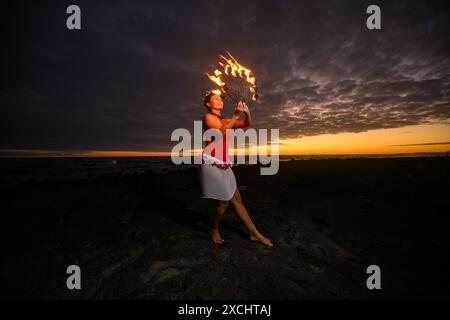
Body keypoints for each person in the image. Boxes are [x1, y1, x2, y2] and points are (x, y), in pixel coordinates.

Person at [200, 92, 273, 247]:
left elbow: (247, 123)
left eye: (220, 99)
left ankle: (254, 233)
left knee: (237, 199)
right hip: (212, 162)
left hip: (224, 162)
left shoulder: (226, 120)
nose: (220, 100)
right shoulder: (208, 118)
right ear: (208, 104)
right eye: (215, 99)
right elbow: (220, 132)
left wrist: (246, 112)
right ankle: (214, 229)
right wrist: (235, 115)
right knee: (224, 201)